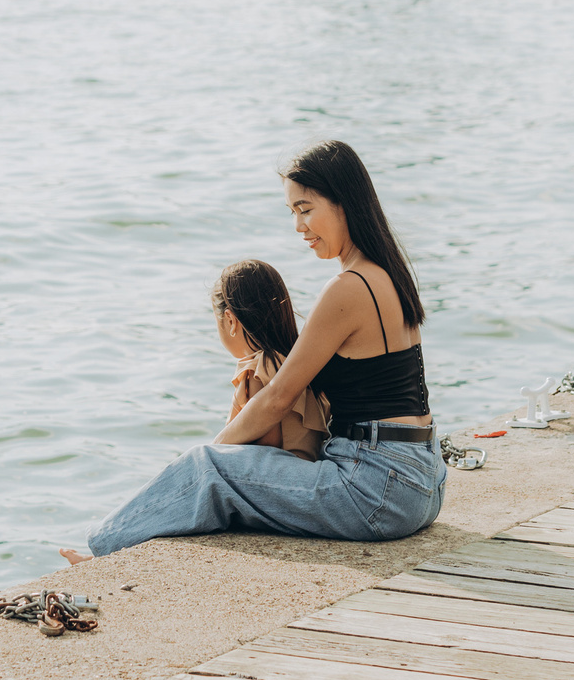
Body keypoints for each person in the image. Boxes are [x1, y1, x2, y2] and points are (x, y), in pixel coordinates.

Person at [63, 140, 445, 560]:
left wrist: (216, 453)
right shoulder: (389, 275)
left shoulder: (347, 288)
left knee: (205, 467)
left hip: (376, 491)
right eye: (292, 213)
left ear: (344, 202)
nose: (299, 226)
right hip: (424, 480)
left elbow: (278, 397)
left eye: (305, 208)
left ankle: (99, 553)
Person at [212, 258, 330, 460]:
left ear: (231, 320)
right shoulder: (295, 367)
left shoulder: (260, 366)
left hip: (282, 476)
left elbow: (268, 443)